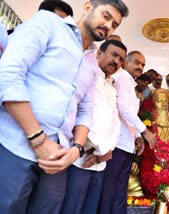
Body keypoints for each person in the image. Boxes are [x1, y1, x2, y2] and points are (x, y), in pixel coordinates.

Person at [0, 0, 128, 213]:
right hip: (16, 145)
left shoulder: (91, 64)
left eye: (114, 24)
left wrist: (76, 149)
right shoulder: (48, 24)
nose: (108, 26)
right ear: (88, 7)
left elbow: (85, 111)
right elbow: (8, 76)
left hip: (60, 156)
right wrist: (39, 140)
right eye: (106, 16)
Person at [61, 40, 127, 214]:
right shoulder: (87, 76)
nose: (117, 61)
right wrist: (99, 150)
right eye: (114, 55)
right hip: (80, 158)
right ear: (99, 53)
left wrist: (107, 151)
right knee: (71, 208)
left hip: (100, 162)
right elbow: (79, 114)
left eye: (121, 59)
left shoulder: (112, 89)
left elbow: (115, 124)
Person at [99, 50, 156, 214]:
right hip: (116, 144)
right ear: (125, 62)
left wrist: (137, 136)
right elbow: (123, 108)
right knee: (110, 191)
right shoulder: (123, 77)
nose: (140, 66)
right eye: (137, 62)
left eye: (143, 64)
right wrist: (144, 132)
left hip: (126, 144)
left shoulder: (131, 83)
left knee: (119, 191)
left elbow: (130, 113)